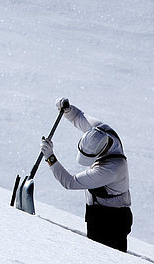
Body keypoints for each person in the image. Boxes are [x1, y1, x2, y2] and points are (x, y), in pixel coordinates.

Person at [40, 98, 133, 252]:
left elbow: (69, 182)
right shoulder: (99, 130)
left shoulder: (111, 169)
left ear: (101, 151)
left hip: (111, 220)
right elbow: (78, 117)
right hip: (99, 213)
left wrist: (50, 157)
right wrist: (67, 109)